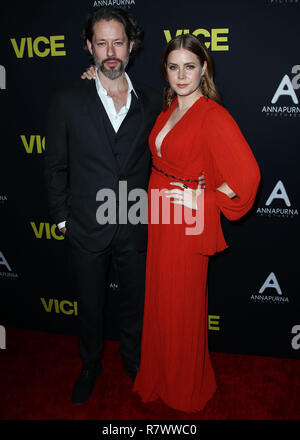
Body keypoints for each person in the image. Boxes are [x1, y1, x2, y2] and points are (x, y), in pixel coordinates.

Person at [132, 33, 261, 412]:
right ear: (166, 72)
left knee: (182, 306)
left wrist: (202, 197)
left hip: (186, 223)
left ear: (204, 68)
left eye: (190, 66)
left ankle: (184, 387)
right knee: (161, 302)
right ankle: (160, 374)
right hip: (160, 217)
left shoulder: (212, 115)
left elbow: (248, 177)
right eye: (174, 67)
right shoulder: (168, 108)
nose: (181, 74)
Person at [44, 6, 163, 404]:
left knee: (135, 304)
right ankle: (90, 364)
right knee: (90, 306)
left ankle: (133, 360)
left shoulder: (152, 102)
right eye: (101, 43)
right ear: (89, 47)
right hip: (85, 228)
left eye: (118, 42)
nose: (110, 51)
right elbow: (55, 166)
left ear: (131, 46)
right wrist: (63, 222)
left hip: (134, 225)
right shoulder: (67, 100)